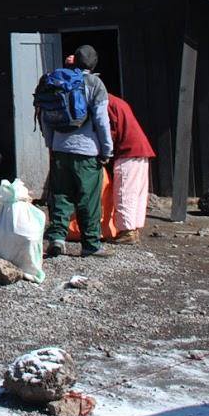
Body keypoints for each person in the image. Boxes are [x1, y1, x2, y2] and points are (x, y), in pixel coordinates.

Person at [42, 44, 112, 258]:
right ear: (93, 63)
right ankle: (90, 244)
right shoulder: (95, 84)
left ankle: (57, 239)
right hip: (87, 152)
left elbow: (45, 116)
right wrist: (106, 149)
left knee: (60, 195)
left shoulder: (57, 81)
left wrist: (51, 143)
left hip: (60, 149)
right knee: (87, 199)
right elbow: (101, 120)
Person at [106, 93, 156, 244]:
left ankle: (127, 231)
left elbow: (109, 131)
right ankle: (134, 228)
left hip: (127, 151)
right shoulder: (117, 102)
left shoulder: (105, 103)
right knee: (138, 192)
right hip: (140, 149)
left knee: (124, 192)